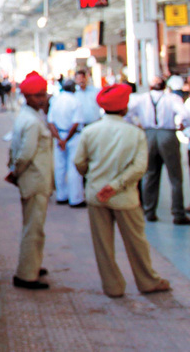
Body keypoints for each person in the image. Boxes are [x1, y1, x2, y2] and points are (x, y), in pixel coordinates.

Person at [74, 84, 171, 297]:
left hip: (96, 195)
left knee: (102, 245)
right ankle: (147, 281)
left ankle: (113, 287)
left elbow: (79, 162)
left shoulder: (90, 132)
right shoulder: (135, 133)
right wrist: (115, 186)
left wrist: (95, 179)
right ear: (124, 108)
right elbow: (139, 167)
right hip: (125, 197)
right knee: (136, 242)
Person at [6, 71, 54, 290]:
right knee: (33, 229)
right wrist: (16, 171)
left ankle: (32, 264)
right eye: (37, 95)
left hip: (31, 179)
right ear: (26, 96)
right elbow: (25, 154)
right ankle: (26, 275)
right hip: (35, 180)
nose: (42, 99)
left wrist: (15, 171)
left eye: (43, 94)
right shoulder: (33, 122)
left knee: (33, 226)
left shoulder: (26, 116)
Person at [127, 76, 190, 224]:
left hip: (149, 134)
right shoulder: (172, 98)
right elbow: (185, 115)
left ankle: (149, 211)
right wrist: (182, 125)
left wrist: (136, 125)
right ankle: (178, 213)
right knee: (175, 176)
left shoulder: (141, 99)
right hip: (167, 134)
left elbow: (128, 113)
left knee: (150, 174)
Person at [46, 79, 85, 207]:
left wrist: (59, 139)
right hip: (71, 137)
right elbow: (75, 123)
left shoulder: (56, 100)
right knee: (73, 167)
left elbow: (50, 122)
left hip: (60, 135)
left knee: (60, 166)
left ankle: (61, 195)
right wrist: (65, 139)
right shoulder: (75, 101)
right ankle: (75, 197)